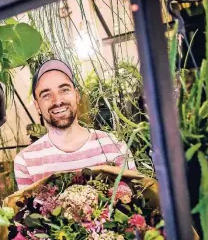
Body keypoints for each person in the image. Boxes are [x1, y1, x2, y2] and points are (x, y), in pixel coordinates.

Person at [14, 59, 136, 190]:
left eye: (64, 90)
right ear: (37, 105)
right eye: (46, 95)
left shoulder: (115, 146)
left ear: (77, 95)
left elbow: (138, 199)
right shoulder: (25, 161)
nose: (58, 101)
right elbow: (27, 208)